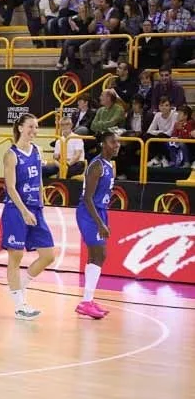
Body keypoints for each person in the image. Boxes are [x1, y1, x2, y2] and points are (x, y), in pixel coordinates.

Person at [1, 114, 55, 320]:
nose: (34, 131)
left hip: (36, 208)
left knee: (48, 255)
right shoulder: (11, 154)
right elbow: (11, 187)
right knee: (15, 257)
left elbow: (40, 180)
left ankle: (21, 287)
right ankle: (19, 305)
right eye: (31, 127)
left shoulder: (38, 151)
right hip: (16, 210)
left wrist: (42, 204)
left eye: (36, 127)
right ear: (20, 128)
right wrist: (24, 211)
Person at [75, 131, 119, 319]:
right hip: (88, 212)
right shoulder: (97, 165)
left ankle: (88, 300)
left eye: (118, 142)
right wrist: (100, 223)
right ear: (103, 144)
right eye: (112, 142)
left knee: (98, 255)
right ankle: (86, 301)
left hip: (100, 210)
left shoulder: (110, 165)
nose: (116, 145)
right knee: (99, 253)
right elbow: (87, 198)